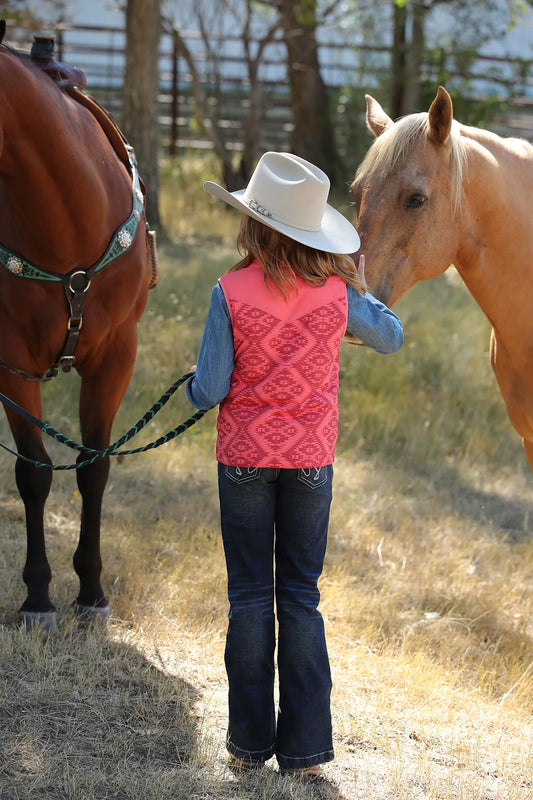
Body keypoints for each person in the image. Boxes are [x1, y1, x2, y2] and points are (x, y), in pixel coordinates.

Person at [186, 152, 403, 779]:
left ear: (254, 224)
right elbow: (390, 337)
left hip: (245, 461)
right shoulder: (337, 293)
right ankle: (305, 754)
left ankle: (248, 748)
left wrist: (195, 386)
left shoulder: (229, 290)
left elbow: (210, 389)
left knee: (250, 595)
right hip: (310, 461)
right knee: (301, 598)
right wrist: (355, 286)